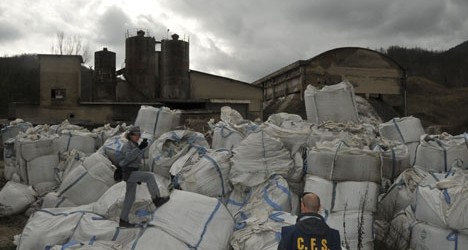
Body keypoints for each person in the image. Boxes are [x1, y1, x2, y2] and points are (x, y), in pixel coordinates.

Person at [119, 125, 170, 227]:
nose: (137, 136)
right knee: (149, 177)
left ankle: (123, 220)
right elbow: (128, 158)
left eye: (139, 134)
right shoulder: (127, 146)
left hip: (132, 173)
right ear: (130, 135)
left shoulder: (134, 145)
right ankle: (156, 199)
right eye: (135, 135)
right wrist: (139, 148)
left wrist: (141, 148)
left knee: (130, 197)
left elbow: (136, 161)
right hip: (128, 173)